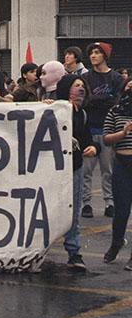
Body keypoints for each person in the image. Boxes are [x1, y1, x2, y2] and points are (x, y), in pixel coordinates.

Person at [53, 74, 98, 271]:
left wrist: (92, 147)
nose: (80, 90)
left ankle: (74, 252)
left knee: (74, 212)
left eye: (82, 86)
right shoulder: (54, 110)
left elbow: (87, 138)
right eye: (75, 86)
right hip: (54, 169)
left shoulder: (83, 113)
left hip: (75, 168)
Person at [82, 42, 125, 219]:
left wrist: (97, 99)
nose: (93, 56)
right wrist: (102, 99)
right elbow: (85, 100)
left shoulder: (115, 78)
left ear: (105, 56)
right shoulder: (86, 78)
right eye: (91, 52)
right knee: (87, 170)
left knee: (108, 170)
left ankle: (109, 202)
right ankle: (86, 203)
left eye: (98, 52)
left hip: (109, 130)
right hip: (90, 129)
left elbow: (117, 101)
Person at [102, 78, 132, 270]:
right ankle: (116, 243)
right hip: (121, 162)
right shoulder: (115, 111)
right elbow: (106, 139)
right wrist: (123, 133)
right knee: (121, 211)